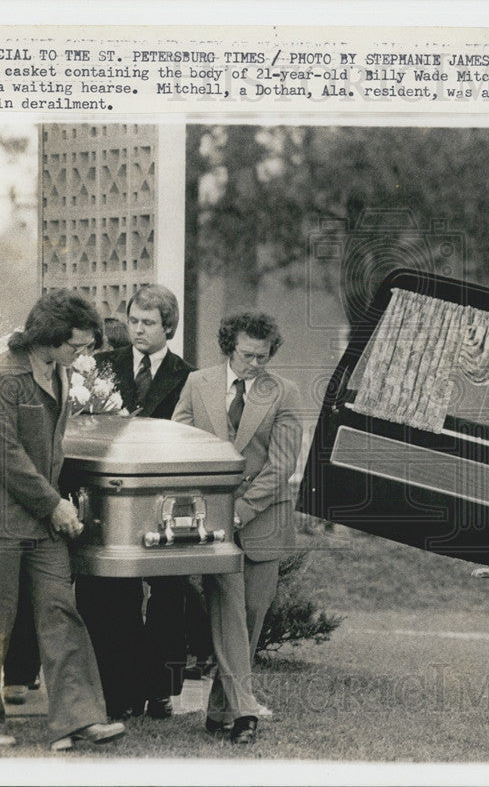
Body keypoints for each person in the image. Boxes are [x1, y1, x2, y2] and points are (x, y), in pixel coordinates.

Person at [0, 289, 124, 750]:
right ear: (48, 338)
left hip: (41, 518)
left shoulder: (60, 369)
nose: (83, 354)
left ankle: (79, 719)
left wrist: (53, 505)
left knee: (59, 610)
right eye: (76, 345)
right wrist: (54, 504)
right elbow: (4, 456)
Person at [173, 311, 302, 744]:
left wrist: (241, 510)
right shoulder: (198, 384)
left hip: (264, 518)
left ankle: (219, 711)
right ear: (230, 346)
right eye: (247, 355)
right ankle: (246, 713)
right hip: (215, 521)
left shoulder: (285, 393)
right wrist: (212, 508)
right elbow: (179, 443)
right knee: (228, 608)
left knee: (249, 616)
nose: (254, 364)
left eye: (262, 357)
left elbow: (282, 465)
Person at [74, 284, 194, 720]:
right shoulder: (102, 368)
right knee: (110, 592)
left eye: (148, 323)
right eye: (134, 321)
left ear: (169, 328)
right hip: (114, 496)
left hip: (163, 497)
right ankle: (116, 689)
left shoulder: (187, 376)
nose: (138, 330)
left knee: (168, 593)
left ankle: (160, 689)